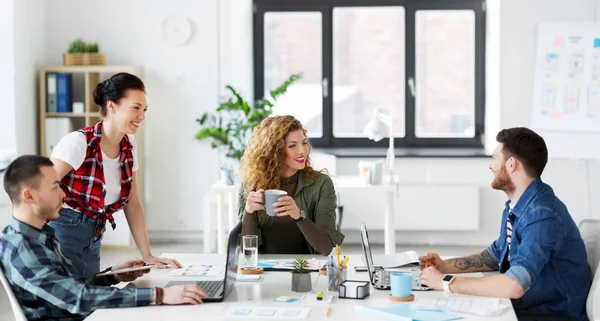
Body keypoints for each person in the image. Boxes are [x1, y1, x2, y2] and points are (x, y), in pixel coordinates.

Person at [0, 155, 207, 321]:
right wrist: (159, 295)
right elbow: (78, 298)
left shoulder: (37, 235)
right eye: (55, 187)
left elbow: (68, 287)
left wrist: (112, 275)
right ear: (29, 196)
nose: (64, 194)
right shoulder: (23, 249)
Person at [419, 128, 591, 321]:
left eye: (494, 158)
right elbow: (495, 255)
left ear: (511, 164)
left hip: (551, 316)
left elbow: (514, 285)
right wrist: (444, 266)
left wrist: (446, 282)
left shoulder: (542, 216)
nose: (491, 166)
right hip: (526, 309)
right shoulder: (518, 206)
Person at [49, 72, 181, 279]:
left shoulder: (129, 146)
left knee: (90, 299)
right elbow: (42, 189)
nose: (142, 116)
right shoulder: (78, 143)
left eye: (144, 109)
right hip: (64, 230)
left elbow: (132, 203)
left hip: (93, 234)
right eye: (135, 108)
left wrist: (148, 255)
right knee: (71, 303)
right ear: (112, 106)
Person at [238, 115, 344, 255]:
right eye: (292, 145)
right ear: (274, 151)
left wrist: (299, 216)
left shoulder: (321, 184)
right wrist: (249, 213)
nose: (302, 151)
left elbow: (325, 248)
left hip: (306, 269)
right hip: (265, 270)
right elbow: (246, 252)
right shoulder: (251, 184)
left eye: (304, 143)